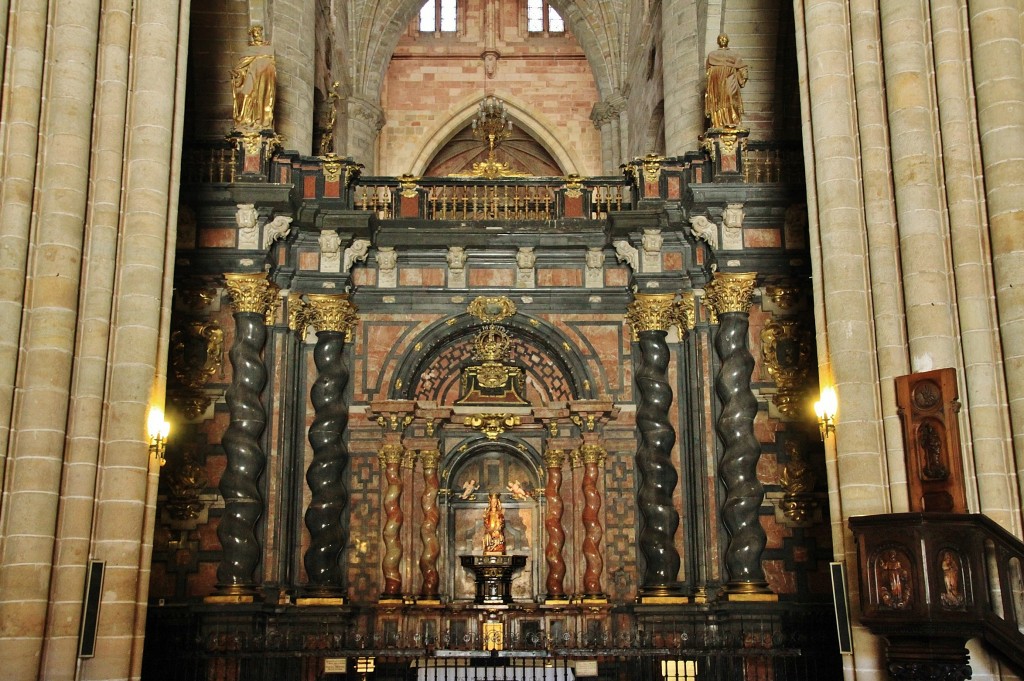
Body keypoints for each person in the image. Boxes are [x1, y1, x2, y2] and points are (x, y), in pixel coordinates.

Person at [231, 26, 277, 131]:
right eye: (256, 32)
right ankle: (245, 121)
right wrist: (238, 75)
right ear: (252, 35)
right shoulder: (249, 50)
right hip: (252, 75)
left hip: (265, 78)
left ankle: (261, 121)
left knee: (263, 97)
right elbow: (241, 67)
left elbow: (272, 65)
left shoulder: (268, 49)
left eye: (260, 32)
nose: (258, 34)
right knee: (245, 94)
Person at [704, 34, 748, 129]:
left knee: (731, 96)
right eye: (720, 38)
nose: (723, 39)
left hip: (730, 78)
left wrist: (744, 77)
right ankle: (718, 122)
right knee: (718, 100)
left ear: (728, 40)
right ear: (717, 41)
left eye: (724, 38)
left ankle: (733, 120)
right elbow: (708, 70)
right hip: (716, 81)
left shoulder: (734, 54)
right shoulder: (712, 54)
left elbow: (742, 67)